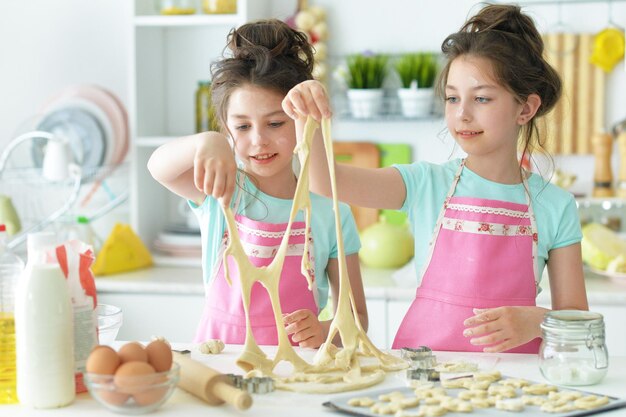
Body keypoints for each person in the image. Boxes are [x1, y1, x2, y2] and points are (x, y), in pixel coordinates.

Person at [282, 4, 588, 353]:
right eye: (453, 98)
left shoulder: (556, 205)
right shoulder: (426, 183)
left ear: (526, 108)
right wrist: (307, 117)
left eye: (482, 98)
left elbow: (577, 317)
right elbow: (323, 181)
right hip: (425, 372)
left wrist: (537, 321)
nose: (462, 114)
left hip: (516, 380)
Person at [147, 19, 367, 349]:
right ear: (226, 127)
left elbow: (356, 320)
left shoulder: (330, 212)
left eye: (275, 123)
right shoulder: (222, 191)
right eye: (242, 126)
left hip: (299, 373)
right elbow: (158, 167)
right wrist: (206, 142)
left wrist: (325, 333)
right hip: (221, 364)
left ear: (300, 120)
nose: (259, 140)